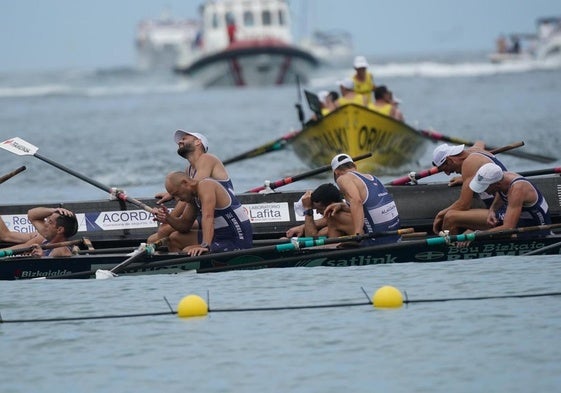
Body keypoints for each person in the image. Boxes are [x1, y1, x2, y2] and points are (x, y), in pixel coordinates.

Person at [147, 130, 234, 250]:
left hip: (223, 217)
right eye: (180, 140)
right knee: (153, 238)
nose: (180, 141)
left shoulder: (207, 159)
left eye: (184, 138)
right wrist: (168, 214)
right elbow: (188, 193)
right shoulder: (188, 170)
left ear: (198, 142)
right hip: (205, 214)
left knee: (165, 230)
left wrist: (172, 203)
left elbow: (191, 190)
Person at [153, 171, 252, 256]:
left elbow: (208, 217)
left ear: (185, 183)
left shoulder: (206, 186)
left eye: (177, 194)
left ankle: (191, 271)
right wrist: (168, 218)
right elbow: (184, 226)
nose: (178, 199)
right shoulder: (193, 196)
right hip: (218, 236)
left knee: (188, 251)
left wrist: (205, 246)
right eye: (174, 196)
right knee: (174, 239)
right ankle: (178, 274)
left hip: (236, 239)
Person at [431, 143, 508, 235]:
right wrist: (465, 178)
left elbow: (464, 205)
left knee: (450, 217)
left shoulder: (469, 163)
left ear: (449, 160)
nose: (448, 173)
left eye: (445, 169)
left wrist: (440, 215)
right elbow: (481, 142)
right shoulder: (475, 149)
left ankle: (452, 248)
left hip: (504, 212)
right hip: (498, 208)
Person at [325, 154, 401, 246]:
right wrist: (342, 206)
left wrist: (357, 234)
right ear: (355, 166)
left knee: (333, 217)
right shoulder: (372, 177)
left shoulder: (342, 178)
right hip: (395, 236)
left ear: (336, 172)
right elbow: (369, 206)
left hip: (375, 240)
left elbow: (356, 201)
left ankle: (334, 253)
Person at [469, 163, 551, 236]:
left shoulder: (517, 190)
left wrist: (478, 235)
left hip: (537, 226)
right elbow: (500, 193)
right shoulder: (502, 178)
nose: (484, 191)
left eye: (485, 187)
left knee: (486, 234)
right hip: (522, 220)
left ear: (497, 184)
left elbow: (508, 228)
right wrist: (492, 209)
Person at [0, 207, 78, 257]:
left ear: (59, 230)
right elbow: (31, 214)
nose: (46, 223)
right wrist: (54, 210)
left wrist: (42, 257)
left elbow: (52, 267)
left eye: (50, 222)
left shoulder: (61, 250)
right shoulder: (45, 238)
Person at [285, 183, 353, 238]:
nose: (317, 212)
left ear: (331, 205)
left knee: (284, 240)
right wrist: (302, 227)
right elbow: (324, 220)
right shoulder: (344, 211)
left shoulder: (336, 218)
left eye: (319, 209)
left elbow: (311, 238)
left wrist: (308, 209)